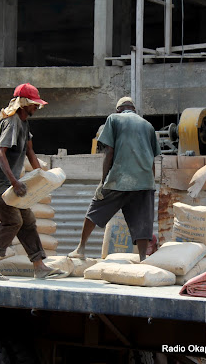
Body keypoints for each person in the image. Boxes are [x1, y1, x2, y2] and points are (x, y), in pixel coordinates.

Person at [0, 83, 67, 280]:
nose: (37, 108)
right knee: (12, 221)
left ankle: (40, 266)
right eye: (34, 104)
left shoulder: (24, 124)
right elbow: (1, 154)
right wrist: (15, 182)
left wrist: (43, 178)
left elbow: (30, 152)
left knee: (28, 221)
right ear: (24, 103)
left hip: (11, 183)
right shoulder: (12, 123)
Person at [68, 97, 161, 262]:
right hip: (145, 181)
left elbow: (108, 152)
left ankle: (80, 248)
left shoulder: (114, 118)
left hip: (120, 177)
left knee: (95, 208)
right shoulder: (148, 126)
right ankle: (142, 258)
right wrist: (150, 183)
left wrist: (102, 182)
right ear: (133, 109)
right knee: (142, 222)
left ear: (119, 109)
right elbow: (152, 159)